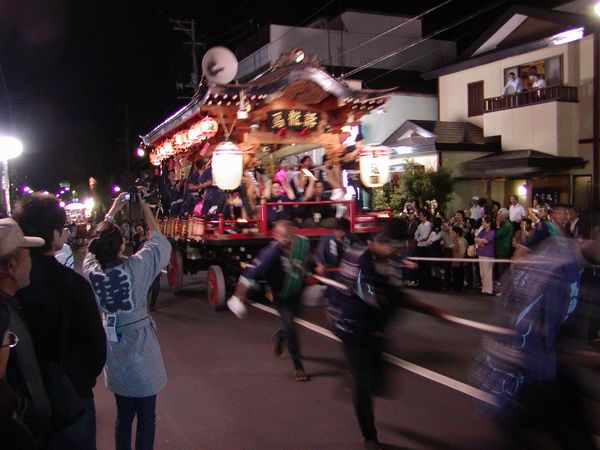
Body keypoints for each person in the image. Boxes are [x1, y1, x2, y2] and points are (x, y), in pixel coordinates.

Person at [472, 236, 600, 449]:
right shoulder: (557, 272)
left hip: (543, 369)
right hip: (530, 374)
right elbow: (530, 338)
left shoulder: (571, 262)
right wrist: (582, 358)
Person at [329, 230, 447, 450]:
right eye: (388, 244)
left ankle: (356, 376)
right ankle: (369, 435)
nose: (393, 249)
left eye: (396, 245)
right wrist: (426, 308)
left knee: (379, 384)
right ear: (374, 243)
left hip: (375, 329)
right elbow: (372, 294)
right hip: (351, 327)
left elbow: (398, 296)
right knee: (363, 385)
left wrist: (432, 311)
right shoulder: (360, 259)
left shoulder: (393, 263)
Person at [14, 194, 106, 449]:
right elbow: (96, 349)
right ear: (55, 235)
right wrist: (79, 382)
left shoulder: (11, 284)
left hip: (24, 402)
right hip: (72, 398)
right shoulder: (74, 285)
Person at [84, 193, 171, 450]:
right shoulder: (136, 267)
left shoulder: (92, 271)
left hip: (115, 347)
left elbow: (92, 244)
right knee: (146, 418)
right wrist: (144, 206)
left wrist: (114, 208)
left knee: (123, 416)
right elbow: (158, 242)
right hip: (141, 345)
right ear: (122, 246)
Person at [227, 221, 311, 381]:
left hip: (297, 291)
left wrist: (312, 269)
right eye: (284, 237)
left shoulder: (302, 244)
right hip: (281, 294)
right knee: (291, 327)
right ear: (276, 236)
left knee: (293, 323)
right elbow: (249, 275)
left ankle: (281, 336)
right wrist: (238, 297)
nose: (288, 240)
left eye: (290, 236)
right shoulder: (270, 254)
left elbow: (307, 259)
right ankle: (298, 366)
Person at [0, 218, 52, 445]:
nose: (31, 262)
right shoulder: (3, 315)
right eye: (27, 256)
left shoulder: (14, 302)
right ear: (11, 266)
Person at [475, 216, 495, 296]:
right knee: (482, 272)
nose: (482, 223)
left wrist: (480, 241)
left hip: (488, 255)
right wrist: (480, 242)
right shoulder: (483, 231)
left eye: (484, 222)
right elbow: (476, 238)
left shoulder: (492, 232)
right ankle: (484, 288)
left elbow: (486, 241)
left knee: (487, 273)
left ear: (488, 223)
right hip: (481, 254)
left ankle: (488, 290)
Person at [414, 210, 432, 287]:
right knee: (420, 264)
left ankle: (427, 282)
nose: (420, 216)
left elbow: (426, 236)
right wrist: (419, 239)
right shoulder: (420, 225)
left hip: (426, 246)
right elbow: (416, 234)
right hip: (420, 245)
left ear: (425, 216)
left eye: (421, 215)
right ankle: (421, 282)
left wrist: (422, 239)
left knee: (426, 265)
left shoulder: (429, 224)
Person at [494, 208, 514, 282]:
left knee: (502, 269)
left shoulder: (507, 225)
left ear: (504, 216)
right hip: (500, 249)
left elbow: (497, 235)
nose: (497, 216)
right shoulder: (504, 224)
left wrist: (498, 226)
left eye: (499, 214)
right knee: (499, 268)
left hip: (503, 249)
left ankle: (502, 286)